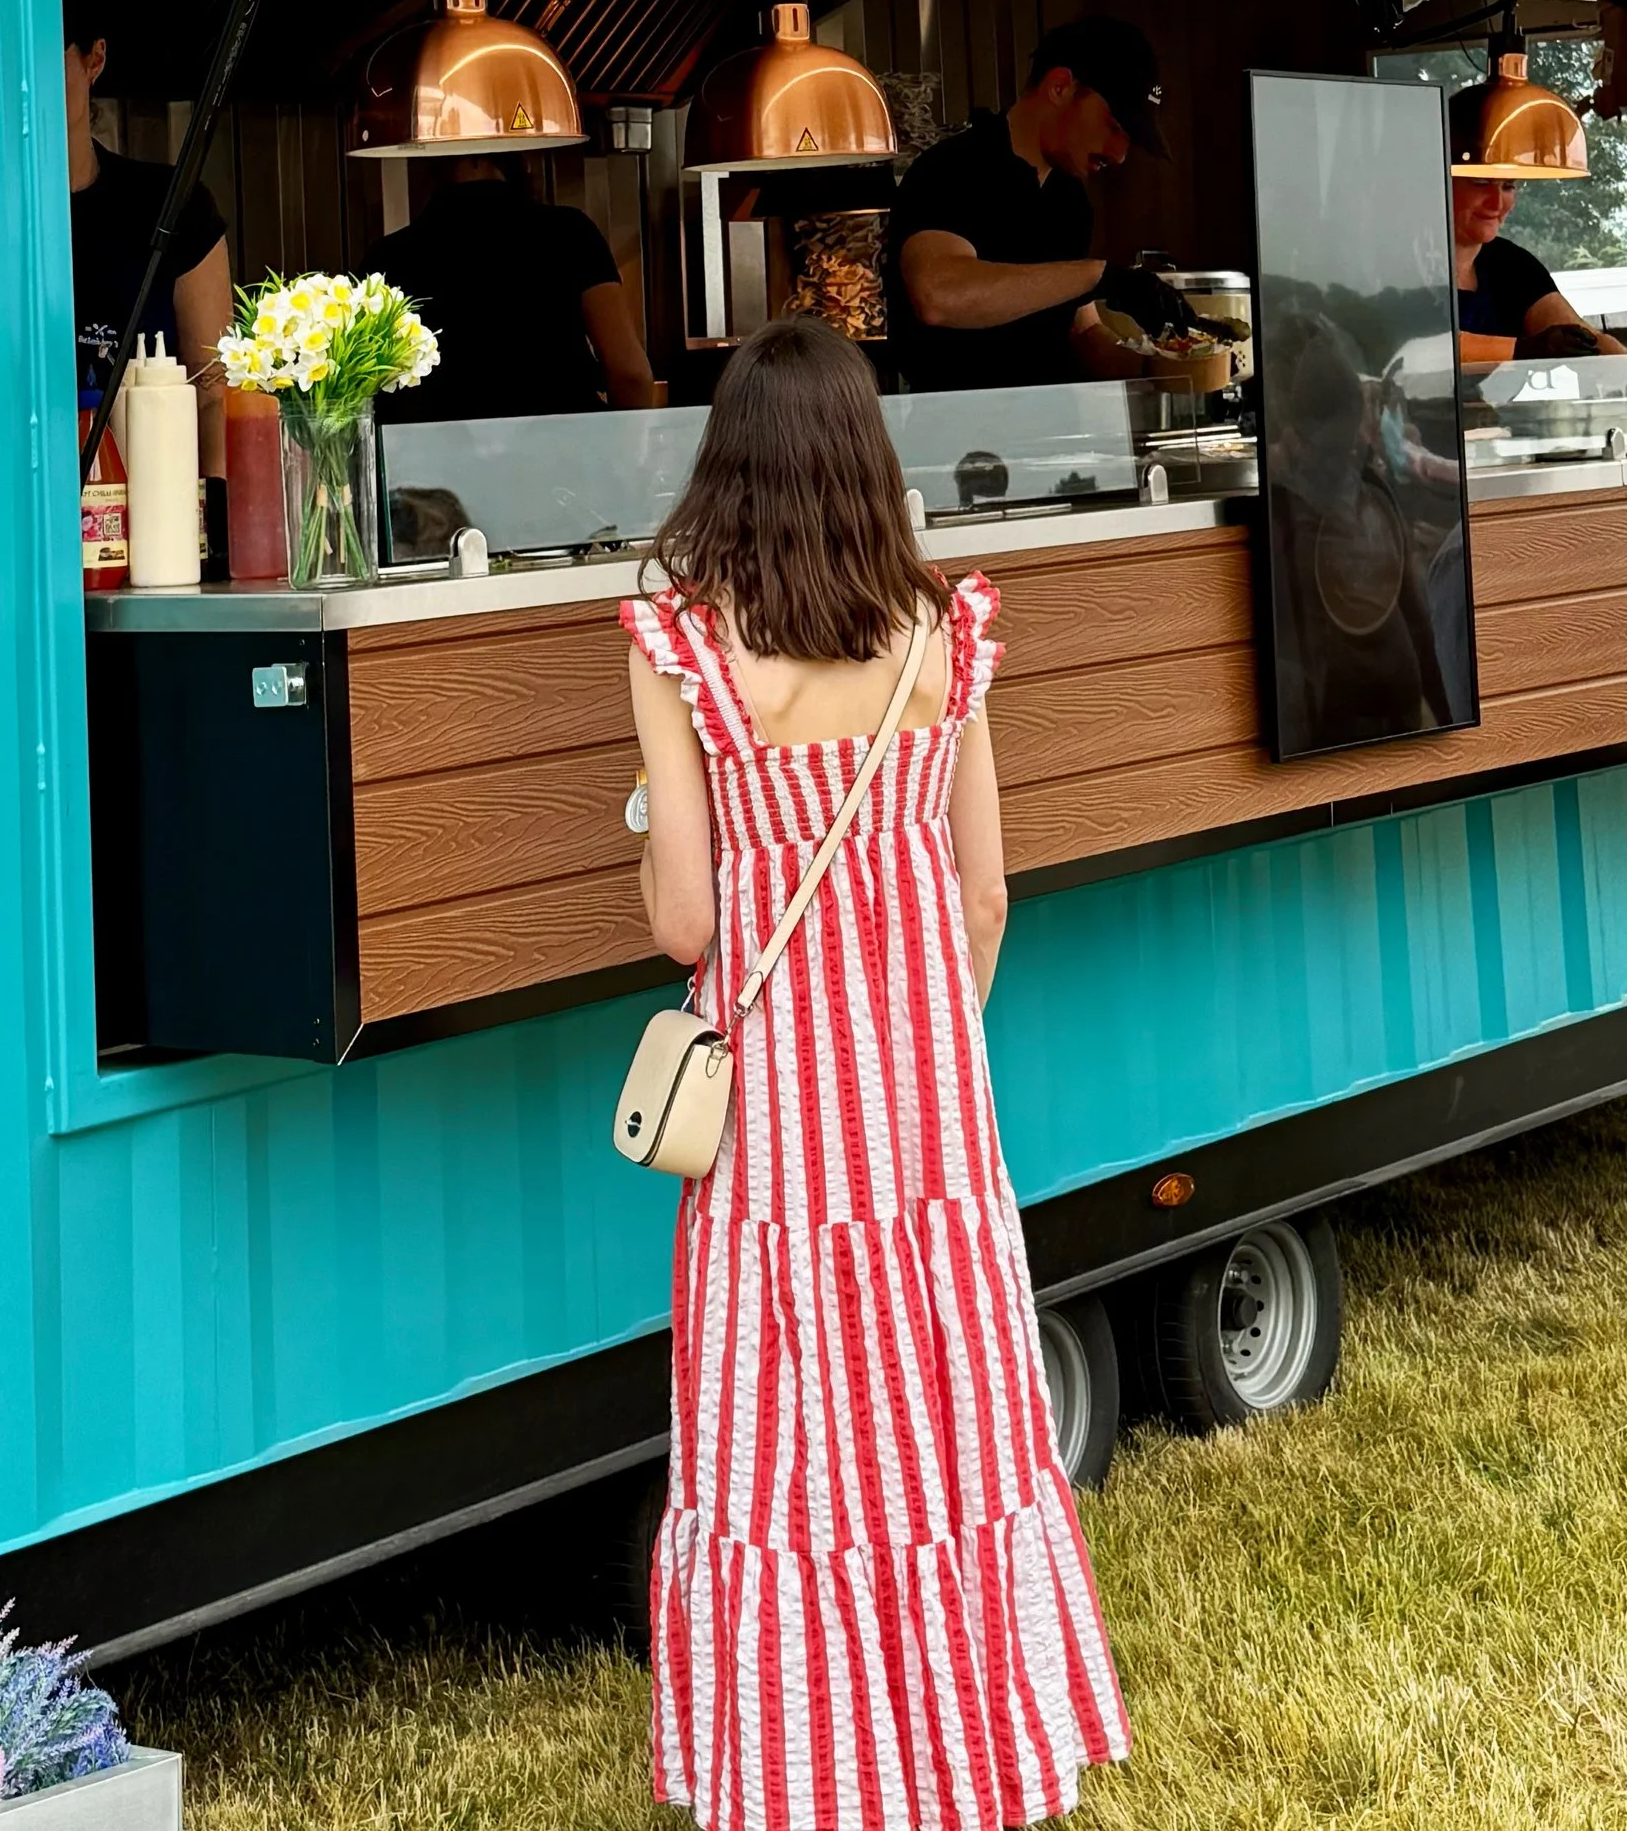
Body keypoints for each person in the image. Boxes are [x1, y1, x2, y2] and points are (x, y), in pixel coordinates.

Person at [621, 318, 1129, 1828]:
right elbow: (986, 895)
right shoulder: (944, 635)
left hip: (773, 1129)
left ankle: (800, 1770)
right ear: (866, 460)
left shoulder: (682, 644)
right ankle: (975, 1750)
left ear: (730, 464)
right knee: (950, 1426)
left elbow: (687, 924)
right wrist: (927, 1035)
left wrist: (649, 807)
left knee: (781, 1448)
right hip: (927, 1110)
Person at [885, 16, 1186, 390]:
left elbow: (1084, 332)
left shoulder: (1070, 201)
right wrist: (1101, 276)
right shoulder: (952, 169)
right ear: (1060, 87)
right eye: (1114, 127)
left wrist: (1170, 366)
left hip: (1046, 436)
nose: (1120, 155)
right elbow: (939, 295)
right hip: (957, 438)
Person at [66, 10, 230, 473]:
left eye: (47, 59)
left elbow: (213, 393)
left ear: (93, 60)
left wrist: (214, 527)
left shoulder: (175, 205)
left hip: (155, 503)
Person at [374, 159, 659, 422]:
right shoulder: (568, 233)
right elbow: (630, 374)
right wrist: (627, 460)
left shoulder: (387, 257)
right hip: (565, 462)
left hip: (430, 468)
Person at [1448, 160, 1621, 367]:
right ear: (1440, 186)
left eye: (1508, 186)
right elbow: (1418, 349)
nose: (1496, 203)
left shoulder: (1510, 263)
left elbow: (1583, 337)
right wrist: (1524, 349)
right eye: (1481, 182)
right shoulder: (1407, 266)